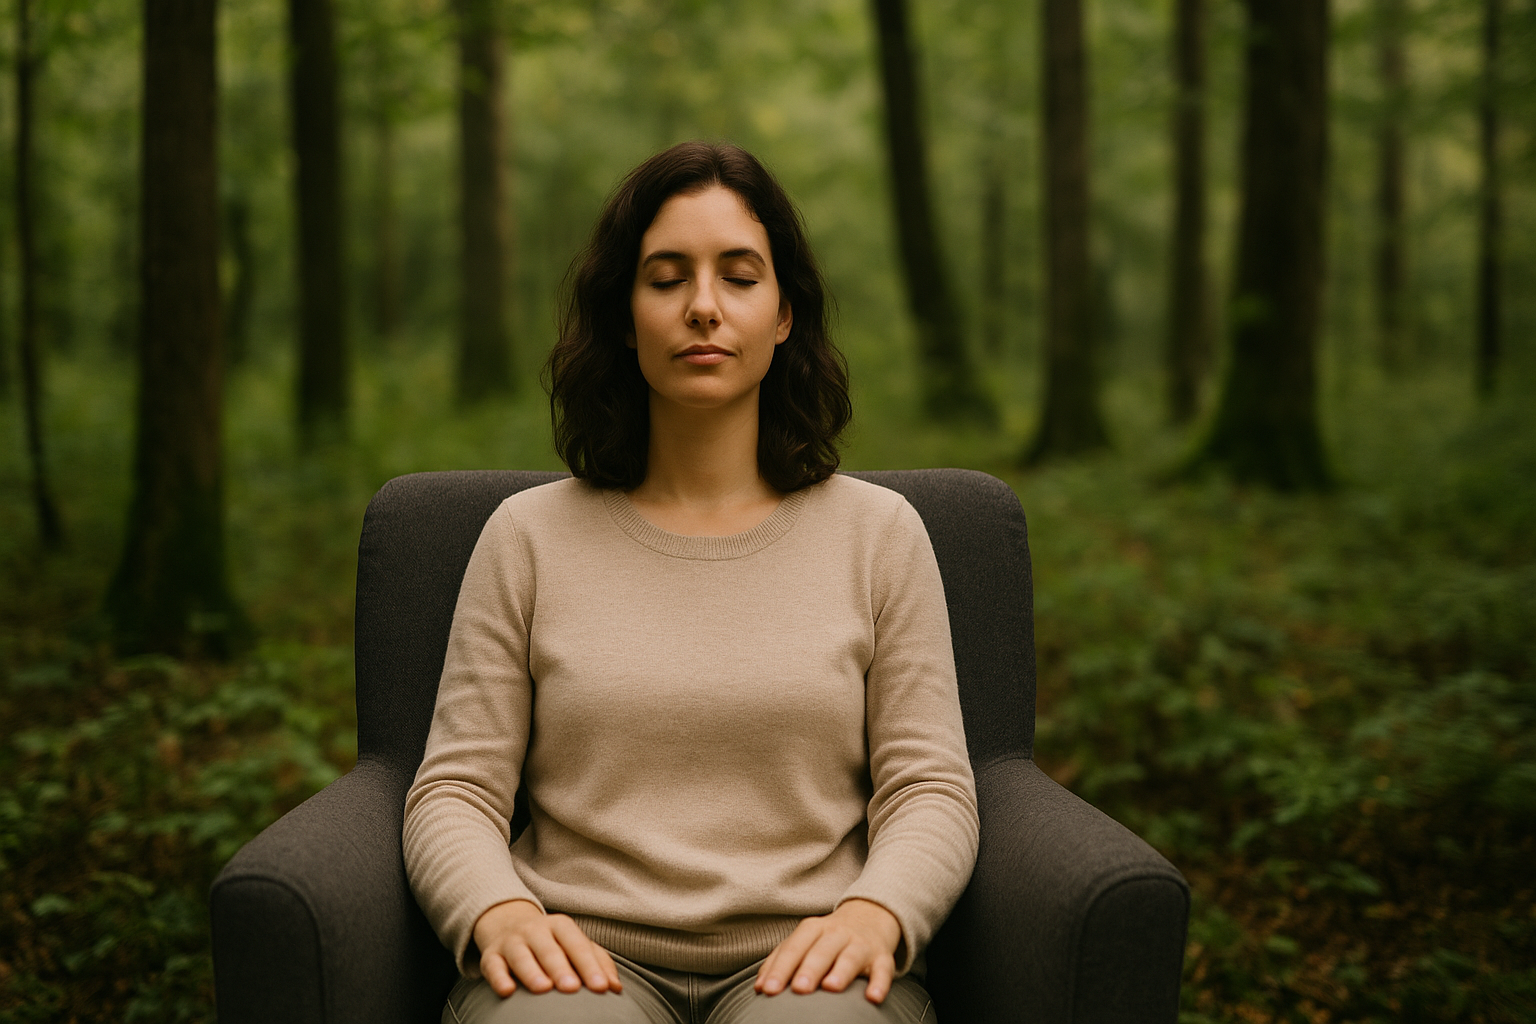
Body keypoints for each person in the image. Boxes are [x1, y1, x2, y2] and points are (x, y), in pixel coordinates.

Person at [403, 141, 978, 1024]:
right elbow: (456, 789)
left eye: (739, 278)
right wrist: (499, 910)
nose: (703, 308)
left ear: (785, 314)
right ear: (626, 319)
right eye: (667, 278)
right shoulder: (525, 539)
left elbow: (929, 787)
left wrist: (877, 911)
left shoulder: (881, 538)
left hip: (810, 961)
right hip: (577, 961)